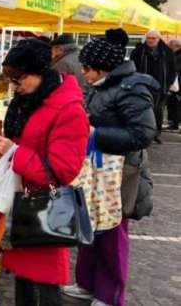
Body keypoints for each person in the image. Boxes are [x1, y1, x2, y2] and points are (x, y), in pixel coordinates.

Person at [0, 38, 90, 306]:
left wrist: (15, 153)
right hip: (23, 204)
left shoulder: (68, 110)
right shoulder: (30, 99)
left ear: (39, 72)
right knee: (23, 281)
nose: (15, 86)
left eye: (18, 79)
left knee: (44, 289)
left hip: (45, 209)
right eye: (12, 80)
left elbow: (63, 171)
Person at [63, 29, 157, 306]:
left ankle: (110, 294)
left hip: (120, 172)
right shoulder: (101, 84)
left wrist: (95, 133)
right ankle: (87, 284)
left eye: (88, 68)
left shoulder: (133, 88)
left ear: (105, 67)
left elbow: (143, 135)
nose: (84, 73)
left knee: (113, 232)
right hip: (93, 168)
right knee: (89, 226)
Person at [130, 30, 176, 143]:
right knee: (143, 110)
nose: (150, 40)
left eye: (153, 38)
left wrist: (168, 83)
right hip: (142, 86)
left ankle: (157, 133)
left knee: (158, 111)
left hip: (161, 87)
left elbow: (173, 70)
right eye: (148, 38)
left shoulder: (167, 52)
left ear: (159, 39)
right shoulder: (139, 51)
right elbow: (132, 67)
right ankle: (143, 133)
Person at [165, 39, 181, 131]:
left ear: (177, 46)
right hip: (173, 83)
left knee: (177, 105)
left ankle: (175, 124)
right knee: (171, 103)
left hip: (178, 84)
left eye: (170, 47)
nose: (169, 49)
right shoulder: (174, 54)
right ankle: (173, 124)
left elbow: (176, 68)